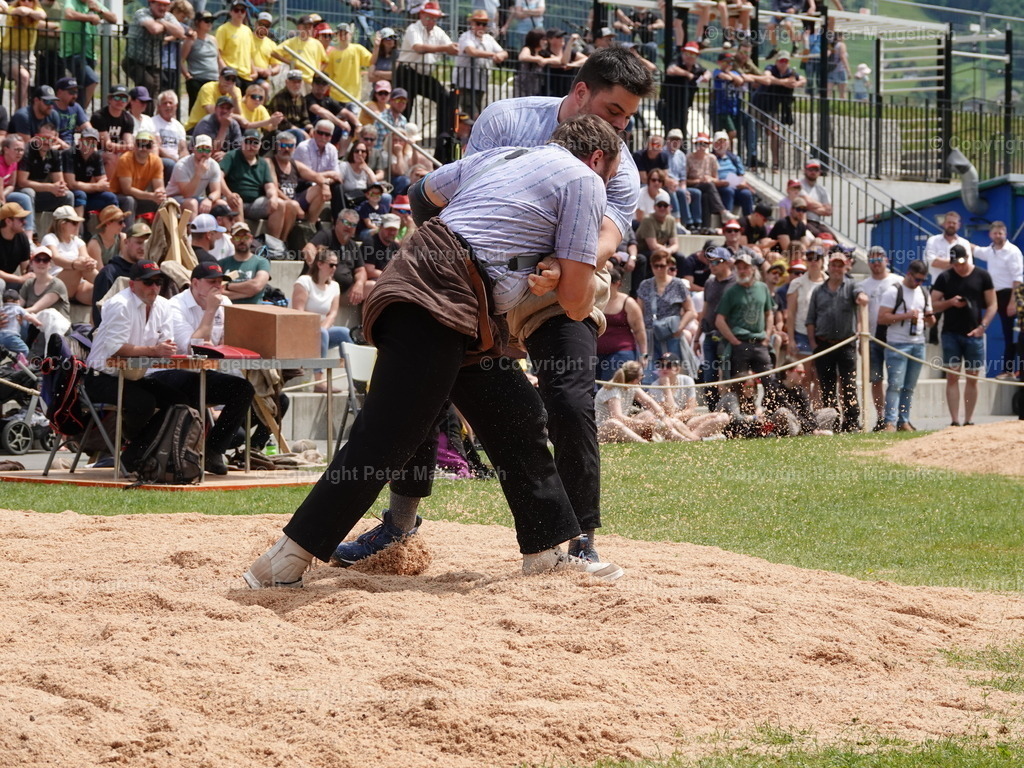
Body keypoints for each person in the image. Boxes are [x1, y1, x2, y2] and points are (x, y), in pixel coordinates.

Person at [244, 115, 625, 588]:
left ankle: (546, 552)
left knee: (516, 414)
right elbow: (575, 302)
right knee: (387, 434)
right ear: (597, 158)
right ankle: (286, 559)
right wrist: (563, 276)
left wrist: (485, 252)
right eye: (611, 174)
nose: (608, 184)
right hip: (441, 297)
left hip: (446, 294)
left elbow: (422, 195)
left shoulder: (501, 156)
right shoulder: (586, 179)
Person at [163, 261, 256, 474]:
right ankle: (184, 456)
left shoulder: (225, 303)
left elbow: (230, 342)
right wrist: (211, 311)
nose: (218, 287)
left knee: (244, 389)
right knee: (194, 387)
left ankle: (213, 450)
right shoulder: (175, 306)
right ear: (195, 283)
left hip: (206, 373)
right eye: (211, 282)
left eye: (220, 282)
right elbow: (191, 347)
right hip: (172, 372)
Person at [931, 244, 997, 427]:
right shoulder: (945, 277)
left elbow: (993, 304)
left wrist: (983, 326)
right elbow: (933, 304)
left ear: (968, 258)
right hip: (950, 333)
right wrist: (950, 302)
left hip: (974, 333)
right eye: (955, 264)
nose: (958, 267)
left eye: (961, 263)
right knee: (952, 377)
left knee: (972, 377)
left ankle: (968, 419)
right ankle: (954, 420)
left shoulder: (982, 275)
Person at [804, 251, 868, 433]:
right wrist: (813, 344)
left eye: (840, 265)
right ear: (829, 267)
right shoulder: (818, 291)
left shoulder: (852, 285)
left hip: (846, 344)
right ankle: (831, 421)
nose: (837, 269)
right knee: (827, 386)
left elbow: (860, 294)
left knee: (849, 384)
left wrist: (862, 296)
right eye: (834, 265)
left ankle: (852, 422)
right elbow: (810, 319)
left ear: (845, 267)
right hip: (823, 344)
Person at [877, 259, 934, 433]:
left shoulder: (923, 292)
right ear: (908, 274)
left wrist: (930, 318)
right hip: (897, 343)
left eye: (923, 280)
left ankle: (904, 421)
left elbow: (931, 321)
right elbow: (882, 318)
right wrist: (906, 316)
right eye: (917, 279)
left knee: (909, 386)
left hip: (918, 343)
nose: (919, 283)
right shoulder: (894, 291)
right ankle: (890, 422)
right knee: (895, 385)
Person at [395, 1, 458, 143]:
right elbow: (418, 48)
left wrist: (458, 48)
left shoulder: (438, 32)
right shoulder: (413, 28)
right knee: (405, 107)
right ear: (421, 15)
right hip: (406, 73)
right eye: (429, 17)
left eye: (435, 18)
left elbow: (450, 46)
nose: (432, 21)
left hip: (423, 75)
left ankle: (442, 139)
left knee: (445, 97)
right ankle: (400, 141)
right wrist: (445, 49)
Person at [292, 249, 353, 393]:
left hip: (321, 332)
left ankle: (355, 380)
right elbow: (298, 313)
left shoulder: (334, 286)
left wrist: (322, 329)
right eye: (331, 265)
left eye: (336, 265)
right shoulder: (304, 282)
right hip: (301, 332)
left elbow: (333, 313)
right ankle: (319, 382)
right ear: (319, 264)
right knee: (322, 333)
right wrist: (318, 330)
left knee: (344, 333)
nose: (335, 268)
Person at [857, 245, 903, 430]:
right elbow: (859, 315)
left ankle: (895, 418)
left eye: (879, 259)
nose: (876, 264)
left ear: (886, 260)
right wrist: (860, 339)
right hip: (871, 339)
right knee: (875, 380)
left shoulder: (897, 281)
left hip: (894, 338)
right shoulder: (863, 285)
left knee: (895, 380)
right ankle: (881, 417)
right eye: (872, 260)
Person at [715, 253, 776, 387]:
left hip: (760, 343)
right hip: (740, 344)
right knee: (739, 385)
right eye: (739, 268)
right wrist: (734, 341)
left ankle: (771, 402)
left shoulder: (763, 288)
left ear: (753, 269)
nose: (742, 271)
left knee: (770, 383)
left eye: (745, 267)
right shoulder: (731, 292)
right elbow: (719, 320)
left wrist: (767, 337)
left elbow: (769, 313)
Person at [220, 130, 293, 241]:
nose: (251, 146)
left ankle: (274, 244)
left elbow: (269, 186)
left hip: (255, 204)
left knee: (280, 204)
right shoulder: (231, 156)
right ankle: (242, 239)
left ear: (260, 145)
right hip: (234, 200)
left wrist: (273, 197)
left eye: (255, 143)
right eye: (248, 142)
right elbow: (218, 177)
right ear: (242, 142)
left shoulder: (263, 163)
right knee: (237, 200)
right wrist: (228, 194)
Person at [974, 220, 1022, 380]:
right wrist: (958, 242)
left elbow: (1018, 278)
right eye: (995, 233)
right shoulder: (990, 251)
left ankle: (1011, 370)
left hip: (1010, 295)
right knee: (1006, 333)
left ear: (1005, 234)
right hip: (994, 295)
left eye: (1000, 233)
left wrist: (1012, 302)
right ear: (990, 234)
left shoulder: (1013, 251)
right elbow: (976, 250)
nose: (997, 236)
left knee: (1012, 335)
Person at [636, 249, 696, 376]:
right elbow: (638, 313)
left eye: (662, 266)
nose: (659, 269)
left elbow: (691, 311)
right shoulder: (645, 285)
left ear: (668, 265)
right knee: (650, 374)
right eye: (655, 266)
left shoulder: (678, 284)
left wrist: (679, 328)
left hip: (671, 335)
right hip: (650, 336)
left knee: (674, 373)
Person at [594, 360, 686, 443]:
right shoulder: (613, 390)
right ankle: (644, 443)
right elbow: (617, 417)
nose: (643, 377)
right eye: (642, 375)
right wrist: (641, 423)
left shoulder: (632, 386)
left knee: (648, 414)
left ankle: (683, 439)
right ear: (635, 380)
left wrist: (663, 417)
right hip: (603, 431)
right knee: (614, 423)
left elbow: (649, 402)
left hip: (622, 426)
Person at [648, 352, 730, 439]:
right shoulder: (654, 386)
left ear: (677, 369)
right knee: (673, 421)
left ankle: (690, 437)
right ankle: (697, 439)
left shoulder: (687, 380)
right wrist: (667, 388)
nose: (664, 369)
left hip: (687, 421)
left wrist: (677, 418)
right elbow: (669, 413)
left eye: (668, 365)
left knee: (723, 417)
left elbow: (690, 410)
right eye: (661, 365)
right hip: (669, 423)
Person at [91, 220, 150, 325]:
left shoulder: (151, 273)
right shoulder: (109, 273)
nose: (143, 247)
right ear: (126, 242)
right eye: (139, 242)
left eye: (147, 243)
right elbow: (99, 316)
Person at [60, 0, 117, 106]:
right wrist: (90, 18)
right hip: (73, 53)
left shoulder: (93, 3)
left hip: (89, 54)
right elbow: (69, 14)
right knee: (92, 80)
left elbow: (114, 19)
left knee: (82, 88)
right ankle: (81, 112)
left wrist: (100, 11)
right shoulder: (71, 2)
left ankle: (75, 111)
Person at [596, 263, 646, 383]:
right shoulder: (595, 300)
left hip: (622, 351)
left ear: (617, 284)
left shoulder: (628, 303)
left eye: (608, 282)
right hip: (596, 352)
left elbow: (639, 330)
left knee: (614, 387)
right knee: (596, 388)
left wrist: (644, 354)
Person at [123, 0, 185, 94]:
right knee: (148, 85)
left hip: (153, 64)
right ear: (151, 4)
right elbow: (154, 29)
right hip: (133, 61)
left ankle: (144, 103)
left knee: (156, 89)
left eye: (165, 5)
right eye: (159, 5)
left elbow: (181, 33)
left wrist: (162, 21)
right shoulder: (142, 13)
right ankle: (133, 101)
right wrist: (168, 27)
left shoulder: (168, 17)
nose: (162, 8)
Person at [454, 10, 507, 118]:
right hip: (465, 82)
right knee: (470, 111)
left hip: (481, 82)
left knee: (476, 109)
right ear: (472, 24)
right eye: (478, 23)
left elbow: (504, 52)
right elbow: (471, 51)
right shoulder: (466, 36)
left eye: (484, 24)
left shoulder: (489, 38)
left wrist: (500, 55)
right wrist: (493, 55)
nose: (481, 27)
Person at [41, 204, 97, 305]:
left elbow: (86, 257)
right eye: (74, 223)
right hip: (55, 284)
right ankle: (107, 283)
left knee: (100, 294)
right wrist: (75, 264)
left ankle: (109, 287)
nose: (78, 226)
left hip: (77, 285)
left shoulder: (78, 241)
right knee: (81, 264)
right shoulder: (50, 238)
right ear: (63, 224)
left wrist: (91, 262)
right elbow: (56, 258)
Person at [17, 122, 75, 217]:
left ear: (56, 139)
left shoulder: (54, 154)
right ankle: (30, 226)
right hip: (21, 194)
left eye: (51, 139)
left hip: (41, 194)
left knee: (68, 195)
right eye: (43, 138)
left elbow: (59, 181)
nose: (47, 142)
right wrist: (50, 187)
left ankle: (67, 224)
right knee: (29, 192)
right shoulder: (27, 151)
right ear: (36, 137)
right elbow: (21, 182)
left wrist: (60, 188)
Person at [19, 243, 71, 347]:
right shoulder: (29, 283)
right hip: (35, 328)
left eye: (45, 260)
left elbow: (35, 309)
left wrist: (15, 312)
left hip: (57, 331)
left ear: (50, 264)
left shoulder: (57, 284)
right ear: (31, 263)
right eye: (37, 259)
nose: (41, 263)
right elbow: (18, 305)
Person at [111, 129, 166, 221]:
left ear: (152, 147)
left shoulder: (156, 161)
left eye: (147, 145)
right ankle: (128, 230)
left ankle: (161, 230)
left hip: (137, 197)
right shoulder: (125, 159)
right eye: (140, 144)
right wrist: (151, 196)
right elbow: (126, 190)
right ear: (135, 145)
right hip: (118, 197)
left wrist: (159, 194)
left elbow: (159, 186)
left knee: (162, 202)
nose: (144, 148)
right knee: (129, 200)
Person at [2, 0, 46, 110]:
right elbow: (19, 11)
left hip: (28, 55)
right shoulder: (12, 9)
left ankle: (19, 112)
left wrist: (29, 12)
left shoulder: (37, 10)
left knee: (25, 86)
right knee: (24, 77)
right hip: (10, 53)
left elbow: (42, 15)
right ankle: (20, 111)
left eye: (30, 0)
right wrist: (29, 12)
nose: (26, 2)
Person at [167, 135, 226, 216]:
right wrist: (198, 174)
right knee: (192, 203)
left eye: (207, 149)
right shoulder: (182, 165)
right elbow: (187, 194)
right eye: (200, 149)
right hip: (174, 199)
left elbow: (217, 191)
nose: (204, 153)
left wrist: (209, 199)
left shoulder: (213, 165)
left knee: (221, 204)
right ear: (194, 150)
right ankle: (193, 225)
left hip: (195, 198)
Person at [219, 221, 270, 305]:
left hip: (253, 310)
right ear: (232, 240)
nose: (242, 240)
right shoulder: (222, 263)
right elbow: (217, 291)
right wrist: (247, 293)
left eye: (245, 237)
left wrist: (228, 286)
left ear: (251, 238)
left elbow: (256, 285)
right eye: (237, 238)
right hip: (228, 309)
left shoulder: (261, 262)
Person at [91, 86, 135, 178]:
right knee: (111, 157)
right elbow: (107, 145)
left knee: (134, 157)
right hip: (96, 150)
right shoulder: (99, 117)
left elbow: (129, 143)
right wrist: (126, 147)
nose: (120, 101)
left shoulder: (128, 119)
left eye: (124, 99)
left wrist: (127, 147)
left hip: (117, 151)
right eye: (117, 98)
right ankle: (109, 186)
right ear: (110, 99)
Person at [181, 9, 221, 106]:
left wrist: (226, 73)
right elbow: (181, 60)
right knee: (197, 108)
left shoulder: (213, 39)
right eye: (206, 20)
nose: (209, 23)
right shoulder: (191, 40)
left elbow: (219, 59)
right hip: (198, 79)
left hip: (214, 80)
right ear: (197, 22)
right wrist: (188, 76)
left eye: (211, 21)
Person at [185, 67, 243, 132]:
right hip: (197, 125)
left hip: (220, 125)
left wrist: (234, 98)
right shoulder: (208, 88)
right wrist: (235, 117)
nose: (229, 82)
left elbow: (238, 114)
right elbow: (211, 112)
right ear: (219, 78)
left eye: (233, 80)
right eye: (227, 78)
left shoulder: (236, 91)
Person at [923, 210, 972, 285]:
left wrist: (942, 262)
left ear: (958, 225)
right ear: (944, 224)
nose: (951, 225)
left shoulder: (964, 243)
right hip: (938, 285)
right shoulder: (932, 240)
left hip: (959, 285)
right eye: (949, 222)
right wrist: (958, 262)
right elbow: (933, 262)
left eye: (954, 223)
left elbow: (967, 265)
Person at [215, 1, 256, 87]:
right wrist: (226, 71)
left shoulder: (248, 30)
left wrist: (254, 71)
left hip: (246, 75)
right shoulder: (223, 29)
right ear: (231, 12)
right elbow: (218, 54)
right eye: (236, 10)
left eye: (242, 11)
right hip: (232, 74)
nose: (240, 13)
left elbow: (249, 54)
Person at [0, 136, 36, 236]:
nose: (20, 153)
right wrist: (3, 200)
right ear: (6, 149)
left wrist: (3, 195)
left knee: (25, 197)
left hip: (3, 193)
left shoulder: (14, 163)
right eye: (17, 150)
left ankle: (29, 235)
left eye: (22, 150)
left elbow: (11, 185)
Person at [193, 96, 243, 162]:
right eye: (222, 107)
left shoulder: (234, 124)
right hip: (201, 158)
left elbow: (239, 149)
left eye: (228, 108)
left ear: (232, 111)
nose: (224, 111)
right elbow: (209, 152)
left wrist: (227, 155)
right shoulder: (205, 123)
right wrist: (224, 126)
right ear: (216, 109)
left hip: (225, 158)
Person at [0, 203, 33, 292]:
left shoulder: (22, 238)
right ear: (8, 221)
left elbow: (25, 269)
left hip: (9, 282)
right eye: (21, 219)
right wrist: (19, 279)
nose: (25, 222)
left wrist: (30, 274)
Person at [0, 287, 41, 360]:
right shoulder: (18, 308)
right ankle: (19, 364)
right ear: (17, 301)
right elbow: (29, 317)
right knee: (24, 350)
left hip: (1, 336)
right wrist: (38, 322)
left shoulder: (1, 308)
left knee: (2, 352)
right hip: (11, 336)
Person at [50, 77, 90, 147]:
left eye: (76, 92)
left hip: (71, 146)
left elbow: (88, 128)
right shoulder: (50, 109)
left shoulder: (76, 107)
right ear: (59, 92)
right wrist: (65, 146)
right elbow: (49, 136)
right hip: (55, 147)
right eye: (71, 92)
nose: (75, 96)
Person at [799, 158, 832, 236]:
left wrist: (808, 207)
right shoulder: (799, 185)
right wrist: (822, 206)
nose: (813, 172)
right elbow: (807, 202)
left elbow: (829, 211)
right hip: (803, 221)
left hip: (817, 222)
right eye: (810, 169)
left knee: (832, 238)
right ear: (805, 170)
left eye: (816, 170)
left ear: (819, 172)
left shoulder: (822, 189)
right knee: (820, 237)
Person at [514, 28, 548, 99]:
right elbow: (522, 57)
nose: (546, 42)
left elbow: (559, 60)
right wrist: (537, 59)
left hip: (534, 87)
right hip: (523, 85)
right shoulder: (528, 49)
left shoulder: (542, 52)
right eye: (543, 39)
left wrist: (545, 60)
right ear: (536, 40)